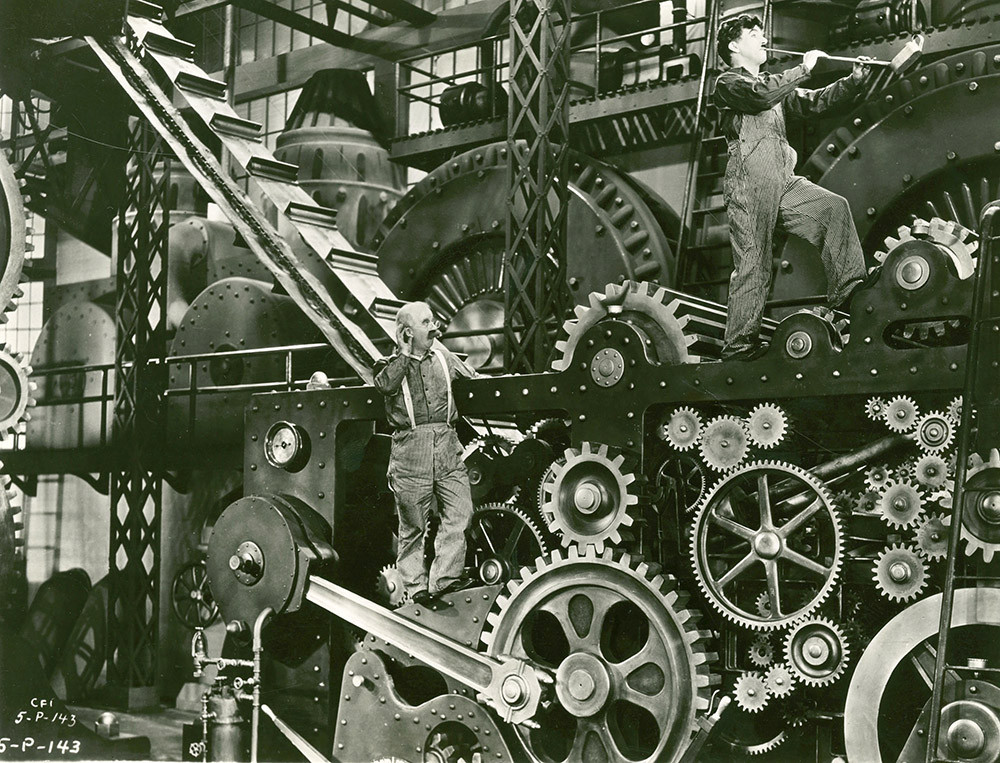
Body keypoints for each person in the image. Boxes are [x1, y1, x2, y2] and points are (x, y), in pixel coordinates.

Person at [714, 14, 876, 360]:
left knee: (832, 208)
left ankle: (849, 293)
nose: (763, 39)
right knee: (754, 262)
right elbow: (759, 96)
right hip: (748, 184)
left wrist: (853, 81)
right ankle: (738, 347)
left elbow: (813, 101)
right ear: (733, 45)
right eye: (754, 34)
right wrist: (803, 68)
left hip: (782, 180)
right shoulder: (729, 83)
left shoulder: (774, 86)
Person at [373, 302, 478, 608]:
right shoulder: (387, 365)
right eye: (425, 322)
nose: (434, 327)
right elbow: (385, 385)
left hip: (447, 444)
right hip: (411, 448)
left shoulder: (444, 358)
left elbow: (473, 377)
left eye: (433, 320)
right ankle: (415, 587)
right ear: (406, 332)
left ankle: (445, 578)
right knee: (413, 525)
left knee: (460, 512)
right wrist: (405, 354)